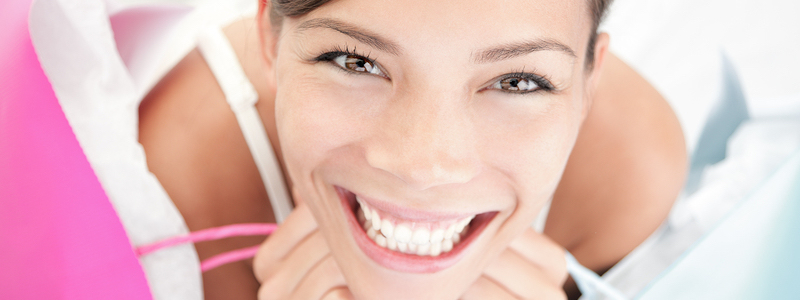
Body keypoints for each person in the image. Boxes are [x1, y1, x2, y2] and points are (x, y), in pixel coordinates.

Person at [137, 0, 686, 298]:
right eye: (356, 62)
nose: (425, 166)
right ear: (272, 41)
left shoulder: (625, 174)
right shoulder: (174, 189)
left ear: (590, 80)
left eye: (518, 81)